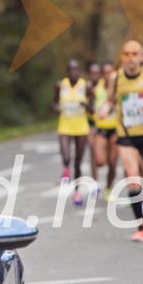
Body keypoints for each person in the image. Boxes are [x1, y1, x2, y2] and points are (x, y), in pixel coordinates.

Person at [98, 40, 143, 242]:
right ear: (122, 57)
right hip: (127, 136)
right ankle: (141, 227)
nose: (130, 58)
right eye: (127, 54)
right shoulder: (116, 78)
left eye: (134, 54)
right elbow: (110, 99)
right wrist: (105, 108)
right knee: (132, 178)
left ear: (141, 57)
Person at [54, 60, 92, 205]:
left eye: (76, 69)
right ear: (67, 71)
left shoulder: (86, 86)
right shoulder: (60, 85)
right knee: (66, 156)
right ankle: (66, 168)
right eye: (70, 70)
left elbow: (92, 108)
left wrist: (86, 104)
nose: (73, 72)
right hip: (64, 125)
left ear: (80, 71)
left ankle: (76, 192)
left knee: (78, 162)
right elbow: (54, 103)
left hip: (81, 127)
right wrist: (56, 108)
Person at [88, 62, 118, 201]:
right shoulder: (96, 89)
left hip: (115, 129)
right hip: (101, 128)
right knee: (100, 161)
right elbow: (90, 106)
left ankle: (108, 188)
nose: (108, 75)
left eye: (110, 72)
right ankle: (105, 151)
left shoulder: (118, 88)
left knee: (112, 162)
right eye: (105, 72)